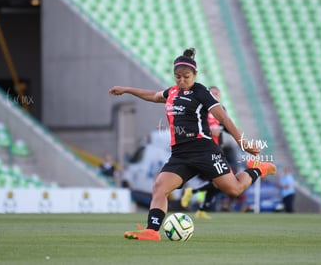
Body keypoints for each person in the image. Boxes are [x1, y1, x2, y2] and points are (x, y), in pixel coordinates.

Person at [109, 48, 276, 240]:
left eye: (186, 77)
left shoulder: (201, 92)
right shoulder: (172, 92)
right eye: (177, 77)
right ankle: (152, 231)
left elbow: (224, 118)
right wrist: (127, 90)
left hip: (204, 150)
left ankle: (258, 169)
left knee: (234, 189)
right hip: (180, 154)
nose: (181, 81)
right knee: (159, 188)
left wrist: (242, 143)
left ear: (195, 75)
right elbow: (153, 96)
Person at [180, 86, 226, 219]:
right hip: (206, 149)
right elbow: (197, 126)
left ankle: (201, 208)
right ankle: (196, 198)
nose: (215, 95)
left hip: (218, 149)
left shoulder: (221, 109)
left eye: (217, 93)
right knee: (220, 181)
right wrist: (210, 131)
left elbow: (225, 126)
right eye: (212, 93)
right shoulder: (201, 107)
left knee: (218, 182)